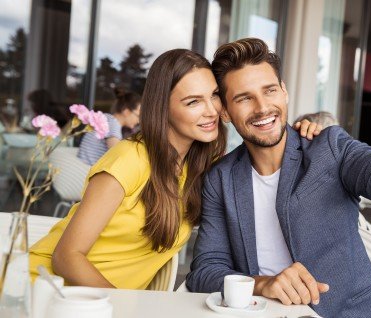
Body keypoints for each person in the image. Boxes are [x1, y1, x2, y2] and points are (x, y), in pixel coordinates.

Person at [186, 38, 371, 317]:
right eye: (244, 98)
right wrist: (264, 284)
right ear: (224, 111)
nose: (262, 107)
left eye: (269, 90)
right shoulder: (221, 178)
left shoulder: (328, 147)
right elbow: (206, 270)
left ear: (284, 92)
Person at [29, 49, 319, 289]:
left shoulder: (201, 170)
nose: (210, 111)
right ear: (163, 108)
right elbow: (66, 257)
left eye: (214, 95)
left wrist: (296, 136)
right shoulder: (130, 159)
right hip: (44, 291)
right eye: (193, 101)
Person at [77, 88, 141, 165]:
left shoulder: (106, 119)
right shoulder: (113, 123)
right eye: (138, 116)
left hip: (81, 167)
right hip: (86, 171)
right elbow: (118, 153)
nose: (138, 121)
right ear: (126, 111)